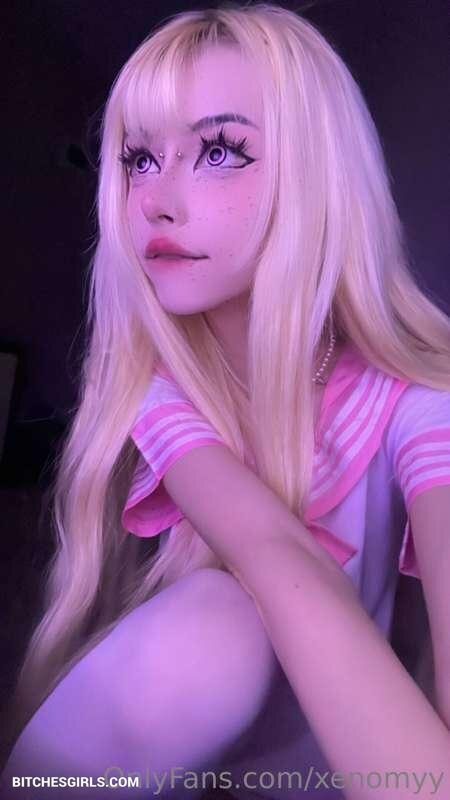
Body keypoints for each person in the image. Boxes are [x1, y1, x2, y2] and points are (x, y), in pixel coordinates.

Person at [1, 3, 449, 799]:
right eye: (139, 159)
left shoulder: (416, 401)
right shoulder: (152, 379)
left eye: (218, 151)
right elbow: (272, 553)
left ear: (319, 174)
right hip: (191, 767)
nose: (154, 201)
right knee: (220, 620)